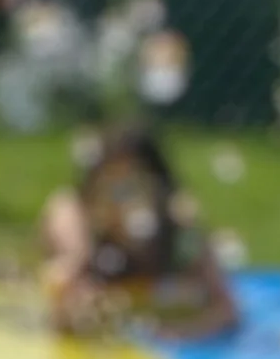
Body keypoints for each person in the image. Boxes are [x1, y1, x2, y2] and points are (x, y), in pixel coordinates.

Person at [41, 125, 239, 340]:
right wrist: (78, 263)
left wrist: (181, 331)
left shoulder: (178, 223)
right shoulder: (78, 221)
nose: (120, 202)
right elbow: (56, 306)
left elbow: (227, 309)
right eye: (110, 187)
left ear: (157, 187)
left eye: (130, 187)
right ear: (94, 188)